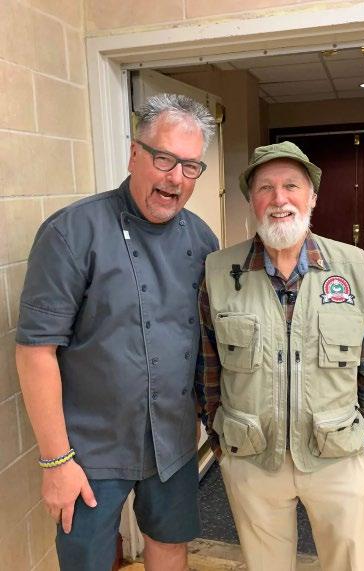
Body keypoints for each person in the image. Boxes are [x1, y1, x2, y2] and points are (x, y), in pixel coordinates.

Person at [15, 93, 218, 571]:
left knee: (170, 544)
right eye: (163, 158)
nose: (175, 177)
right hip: (88, 450)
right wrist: (56, 461)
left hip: (173, 440)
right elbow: (35, 352)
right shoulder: (71, 232)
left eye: (190, 166)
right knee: (87, 559)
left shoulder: (201, 240)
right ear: (133, 154)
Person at [196, 141, 364, 571]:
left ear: (313, 198)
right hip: (252, 460)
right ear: (251, 200)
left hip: (339, 456)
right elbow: (206, 367)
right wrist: (220, 442)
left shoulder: (351, 266)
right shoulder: (218, 271)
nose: (279, 199)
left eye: (291, 186)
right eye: (265, 188)